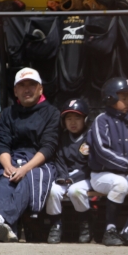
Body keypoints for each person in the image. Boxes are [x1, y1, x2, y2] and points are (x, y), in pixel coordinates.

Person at [0, 68, 60, 242]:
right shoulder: (8, 113)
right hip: (13, 160)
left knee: (27, 179)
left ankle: (1, 219)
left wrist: (24, 169)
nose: (27, 89)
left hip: (39, 163)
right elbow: (2, 143)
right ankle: (9, 230)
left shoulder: (52, 113)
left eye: (32, 85)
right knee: (3, 179)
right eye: (22, 85)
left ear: (40, 89)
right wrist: (8, 166)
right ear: (15, 91)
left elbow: (48, 147)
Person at [87, 77, 128, 247]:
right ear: (110, 98)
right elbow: (102, 152)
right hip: (102, 175)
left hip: (126, 173)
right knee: (120, 183)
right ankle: (110, 231)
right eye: (123, 98)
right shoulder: (101, 120)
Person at [46, 98, 92, 244]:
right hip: (65, 176)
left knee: (75, 191)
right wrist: (63, 177)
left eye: (77, 118)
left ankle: (85, 223)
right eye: (69, 118)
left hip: (85, 177)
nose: (73, 122)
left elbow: (91, 165)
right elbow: (59, 160)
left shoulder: (90, 136)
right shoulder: (63, 137)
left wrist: (73, 179)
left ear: (85, 119)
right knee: (52, 191)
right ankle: (56, 224)